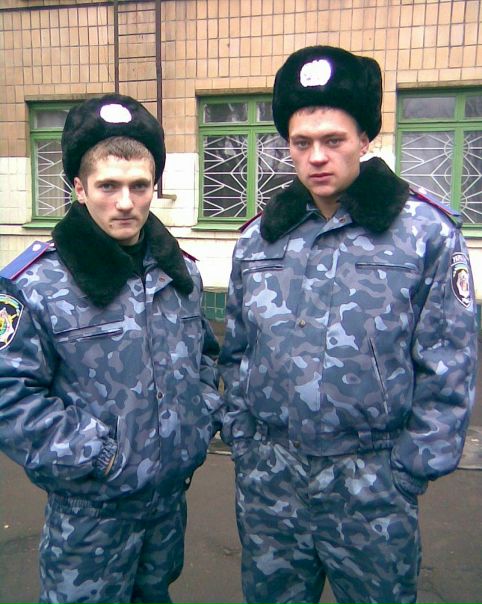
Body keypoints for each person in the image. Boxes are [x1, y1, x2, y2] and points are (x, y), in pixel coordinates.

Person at [218, 46, 477, 604]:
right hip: (271, 483)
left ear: (365, 139)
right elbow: (236, 350)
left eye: (333, 140)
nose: (316, 157)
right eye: (301, 143)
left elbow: (449, 360)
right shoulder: (259, 239)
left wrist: (410, 469)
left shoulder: (423, 233)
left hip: (372, 485)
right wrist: (245, 442)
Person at [0, 93, 222, 604]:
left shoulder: (179, 273)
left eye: (139, 186)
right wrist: (96, 455)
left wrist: (198, 417)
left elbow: (204, 357)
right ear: (79, 189)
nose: (125, 203)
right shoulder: (37, 284)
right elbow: (9, 394)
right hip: (90, 514)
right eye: (108, 186)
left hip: (167, 506)